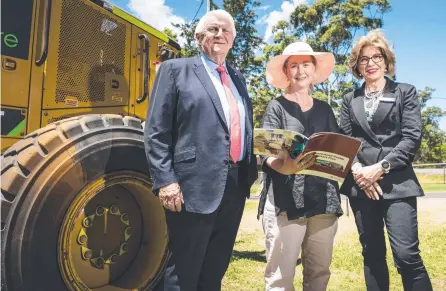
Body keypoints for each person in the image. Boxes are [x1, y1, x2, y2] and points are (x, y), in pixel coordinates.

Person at [144, 9, 258, 291]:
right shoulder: (175, 70)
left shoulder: (238, 77)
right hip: (191, 187)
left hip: (234, 185)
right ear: (198, 37)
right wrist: (166, 181)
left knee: (215, 269)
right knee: (183, 271)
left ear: (233, 39)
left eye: (226, 31)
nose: (220, 34)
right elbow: (156, 130)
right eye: (213, 29)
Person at [340, 29, 433, 291]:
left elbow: (412, 138)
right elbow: (346, 140)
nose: (370, 63)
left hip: (396, 183)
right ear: (357, 66)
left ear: (386, 60)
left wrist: (379, 168)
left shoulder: (405, 92)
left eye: (376, 57)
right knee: (371, 254)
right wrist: (360, 172)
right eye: (363, 59)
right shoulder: (350, 99)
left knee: (406, 255)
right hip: (362, 187)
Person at [257, 41, 343, 291]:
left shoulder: (325, 109)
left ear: (314, 69)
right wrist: (284, 167)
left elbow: (336, 149)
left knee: (318, 273)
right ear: (286, 72)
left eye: (306, 64)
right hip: (286, 201)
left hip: (323, 200)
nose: (300, 70)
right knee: (281, 277)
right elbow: (264, 153)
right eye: (293, 65)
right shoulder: (276, 107)